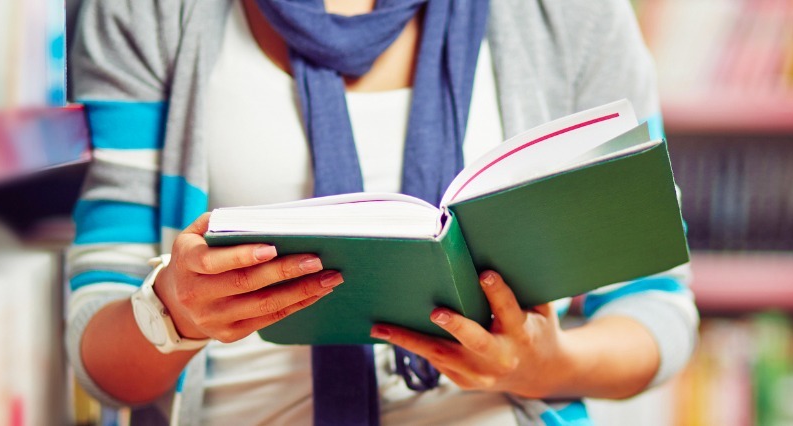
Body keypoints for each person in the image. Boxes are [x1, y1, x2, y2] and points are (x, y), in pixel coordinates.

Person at [65, 0, 698, 424]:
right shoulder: (145, 13)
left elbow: (659, 309)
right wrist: (173, 312)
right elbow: (100, 361)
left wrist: (544, 366)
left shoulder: (571, 15)